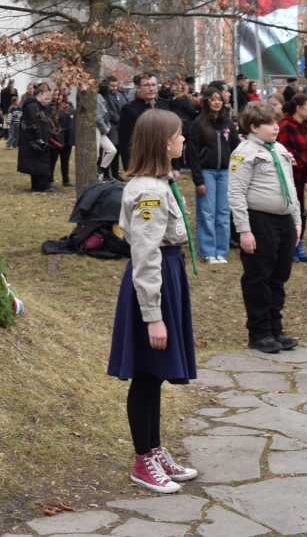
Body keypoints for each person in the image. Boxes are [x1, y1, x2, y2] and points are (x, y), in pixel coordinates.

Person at [106, 109, 198, 494]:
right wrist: (153, 316)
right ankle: (143, 460)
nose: (183, 141)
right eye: (179, 135)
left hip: (167, 278)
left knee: (155, 374)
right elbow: (145, 253)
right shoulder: (148, 191)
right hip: (154, 283)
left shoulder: (160, 183)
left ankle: (154, 448)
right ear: (164, 142)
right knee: (146, 374)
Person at [232, 101, 302, 353]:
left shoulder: (279, 149)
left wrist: (296, 219)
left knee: (279, 275)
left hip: (283, 220)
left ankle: (276, 328)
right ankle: (259, 332)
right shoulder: (244, 152)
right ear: (253, 127)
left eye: (276, 122)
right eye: (270, 123)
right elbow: (236, 193)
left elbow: (290, 186)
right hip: (259, 220)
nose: (276, 127)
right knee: (258, 276)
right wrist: (244, 229)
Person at [186, 88, 237, 265]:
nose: (216, 102)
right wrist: (198, 180)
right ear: (206, 101)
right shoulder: (198, 124)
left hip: (225, 172)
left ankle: (221, 250)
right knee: (207, 212)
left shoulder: (228, 124)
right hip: (207, 172)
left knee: (223, 212)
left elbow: (236, 148)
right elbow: (192, 154)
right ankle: (208, 251)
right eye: (213, 99)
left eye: (219, 99)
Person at [276, 94, 307, 264]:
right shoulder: (285, 127)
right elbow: (287, 152)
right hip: (292, 178)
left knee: (303, 213)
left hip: (306, 179)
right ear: (299, 108)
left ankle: (299, 246)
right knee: (291, 213)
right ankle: (289, 247)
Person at [17, 84, 58, 193]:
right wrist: (39, 138)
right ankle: (41, 185)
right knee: (38, 163)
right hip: (35, 140)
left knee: (38, 163)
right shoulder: (32, 106)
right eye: (46, 96)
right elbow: (34, 124)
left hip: (37, 139)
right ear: (40, 95)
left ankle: (39, 185)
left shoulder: (37, 106)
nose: (47, 99)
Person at [118, 74, 160, 167]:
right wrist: (128, 165)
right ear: (138, 88)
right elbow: (125, 140)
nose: (151, 88)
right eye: (146, 85)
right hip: (141, 161)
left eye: (153, 85)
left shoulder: (164, 105)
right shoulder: (129, 109)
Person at [55, 92, 77, 188]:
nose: (65, 105)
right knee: (53, 160)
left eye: (66, 102)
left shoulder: (71, 111)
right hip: (57, 139)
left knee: (65, 161)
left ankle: (66, 180)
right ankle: (50, 180)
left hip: (68, 140)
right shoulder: (55, 111)